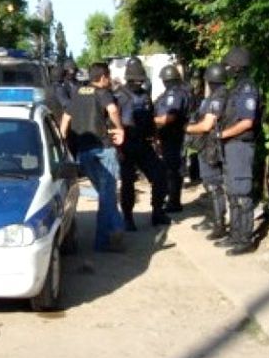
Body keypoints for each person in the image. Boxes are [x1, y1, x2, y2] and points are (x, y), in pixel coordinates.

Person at [60, 62, 125, 252]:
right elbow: (113, 110)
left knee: (105, 193)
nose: (109, 80)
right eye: (108, 77)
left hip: (84, 151)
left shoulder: (77, 92)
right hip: (103, 148)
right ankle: (111, 233)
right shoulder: (103, 93)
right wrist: (120, 128)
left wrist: (62, 141)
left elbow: (66, 118)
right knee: (107, 193)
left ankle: (109, 234)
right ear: (103, 77)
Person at [214, 46, 261, 255]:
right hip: (231, 146)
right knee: (233, 193)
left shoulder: (247, 88)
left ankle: (245, 239)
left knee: (242, 193)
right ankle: (235, 234)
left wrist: (222, 134)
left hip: (241, 145)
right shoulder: (236, 88)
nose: (226, 69)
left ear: (237, 67)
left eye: (228, 66)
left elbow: (247, 122)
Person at [114, 60, 171, 231]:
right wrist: (117, 148)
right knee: (128, 182)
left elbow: (151, 121)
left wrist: (157, 140)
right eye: (136, 80)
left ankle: (157, 212)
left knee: (160, 175)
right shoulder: (119, 96)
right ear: (129, 79)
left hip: (144, 144)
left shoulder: (145, 96)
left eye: (141, 80)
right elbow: (112, 123)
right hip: (125, 145)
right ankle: (128, 217)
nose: (139, 83)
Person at [185, 63, 229, 240]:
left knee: (213, 185)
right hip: (208, 145)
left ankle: (219, 224)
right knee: (209, 183)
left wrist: (187, 128)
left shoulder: (218, 98)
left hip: (212, 146)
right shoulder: (218, 96)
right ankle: (212, 220)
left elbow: (206, 125)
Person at [153, 65, 189, 213]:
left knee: (173, 170)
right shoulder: (170, 94)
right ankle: (172, 200)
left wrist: (151, 121)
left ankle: (174, 202)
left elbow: (170, 117)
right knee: (169, 169)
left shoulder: (175, 94)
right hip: (167, 136)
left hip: (174, 137)